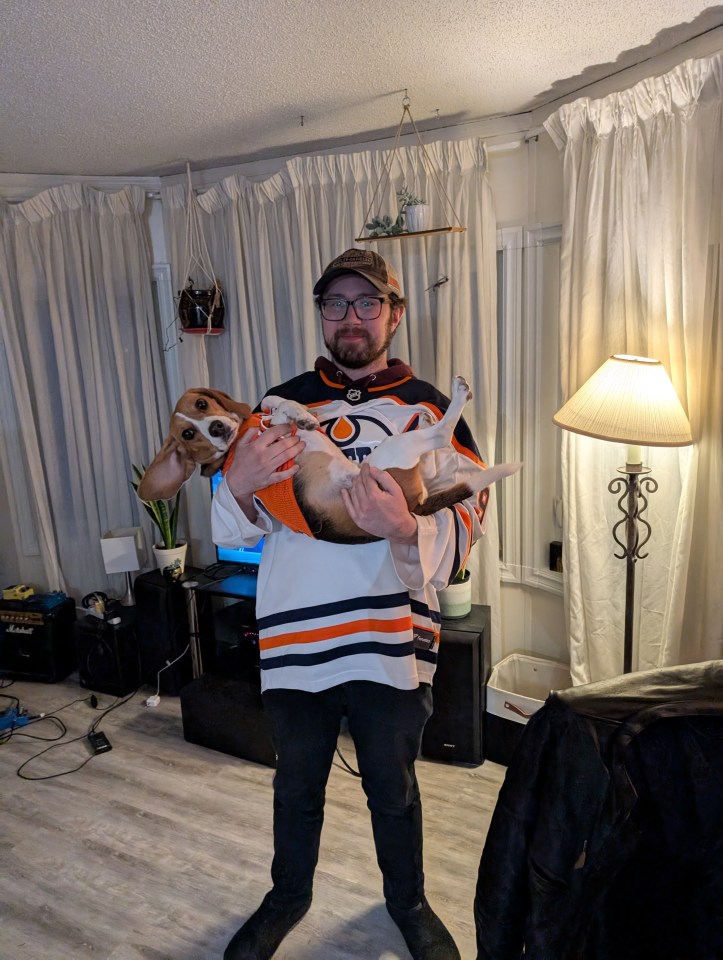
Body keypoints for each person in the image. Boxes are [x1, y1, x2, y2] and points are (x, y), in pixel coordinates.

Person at [211, 248, 488, 960]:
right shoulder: (278, 404)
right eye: (335, 304)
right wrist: (235, 484)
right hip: (297, 636)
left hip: (390, 634)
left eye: (367, 304)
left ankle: (409, 903)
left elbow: (467, 520)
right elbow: (243, 525)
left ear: (395, 313)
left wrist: (406, 528)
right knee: (295, 781)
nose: (351, 318)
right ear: (321, 315)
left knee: (391, 787)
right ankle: (288, 897)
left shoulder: (428, 408)